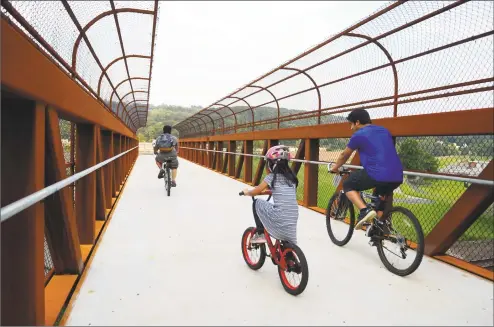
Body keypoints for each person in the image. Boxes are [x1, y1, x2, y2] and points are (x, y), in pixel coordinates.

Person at [330, 108, 403, 230]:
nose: (351, 128)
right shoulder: (384, 130)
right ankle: (377, 231)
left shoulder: (358, 135)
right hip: (397, 175)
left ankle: (364, 210)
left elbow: (344, 155)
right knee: (378, 201)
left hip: (378, 174)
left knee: (348, 184)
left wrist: (335, 168)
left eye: (351, 124)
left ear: (357, 122)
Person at [241, 145, 299, 244]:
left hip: (279, 216)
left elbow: (256, 191)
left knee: (256, 203)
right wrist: (270, 191)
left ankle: (260, 234)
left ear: (272, 164)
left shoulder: (271, 177)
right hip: (293, 217)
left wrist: (247, 192)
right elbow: (283, 191)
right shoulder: (292, 179)